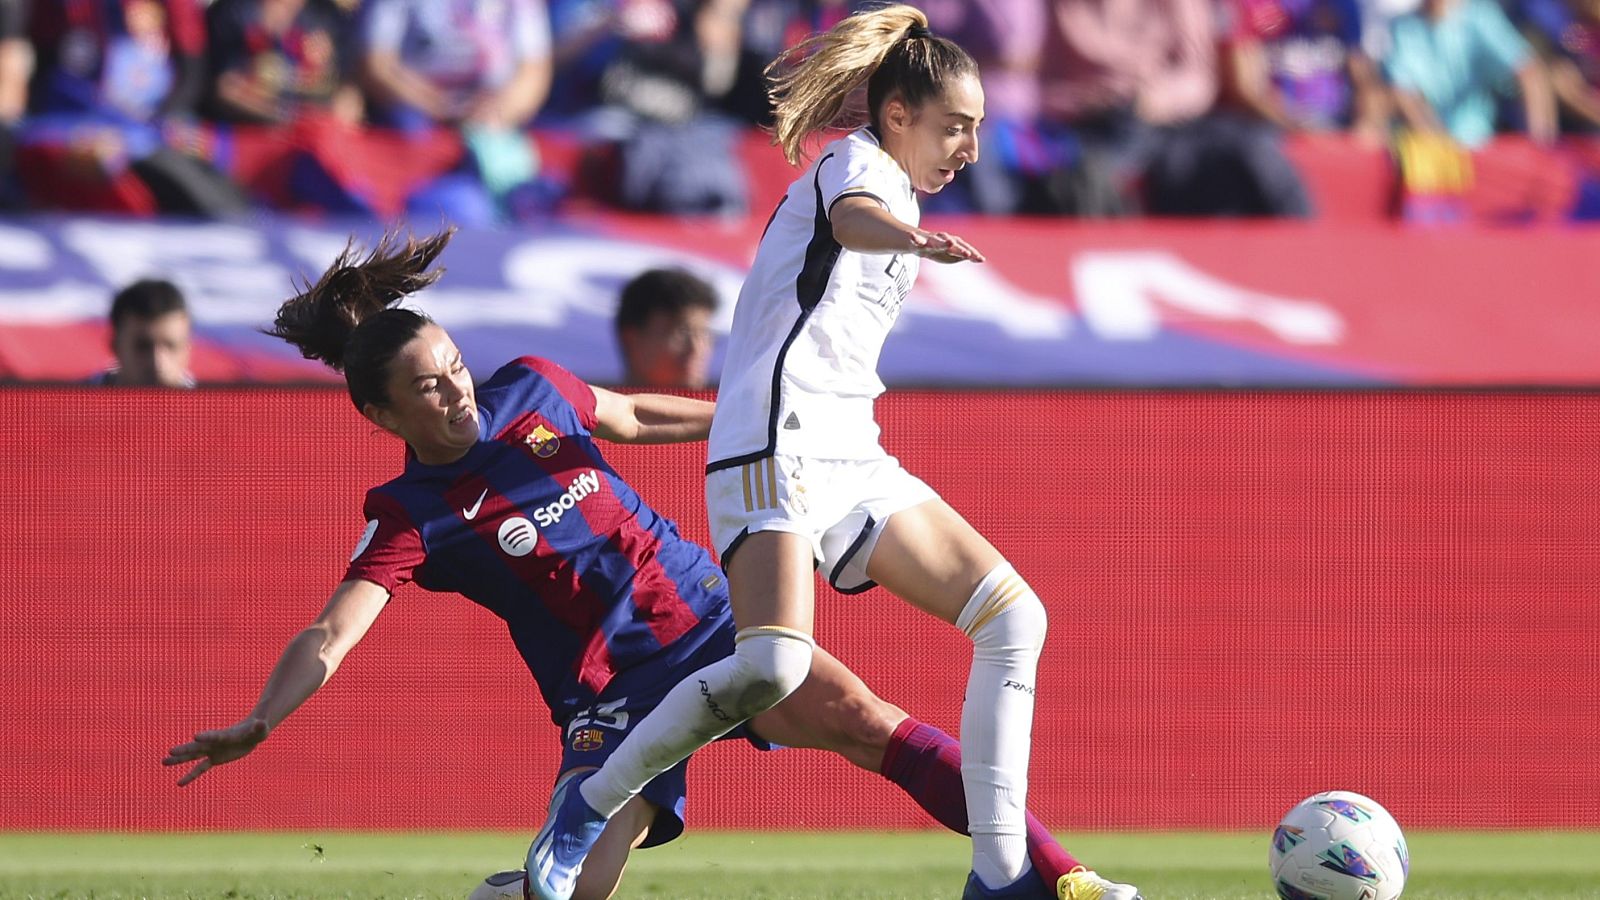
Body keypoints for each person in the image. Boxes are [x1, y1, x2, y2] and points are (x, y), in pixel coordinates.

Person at [161, 229, 1124, 900]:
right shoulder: (413, 513)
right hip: (612, 691)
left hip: (708, 616)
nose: (455, 392)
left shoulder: (535, 389)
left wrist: (760, 421)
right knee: (574, 893)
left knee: (872, 724)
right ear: (381, 416)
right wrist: (260, 719)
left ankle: (1051, 871)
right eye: (427, 388)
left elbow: (629, 414)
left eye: (453, 366)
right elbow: (334, 628)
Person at [528, 7, 1140, 900]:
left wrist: (912, 231)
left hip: (851, 447)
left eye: (976, 127)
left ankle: (1001, 875)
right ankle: (594, 799)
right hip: (775, 439)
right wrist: (909, 238)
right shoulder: (859, 167)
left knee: (1015, 619)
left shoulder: (902, 186)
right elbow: (853, 219)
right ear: (898, 115)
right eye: (956, 124)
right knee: (772, 665)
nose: (970, 147)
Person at [613, 267, 717, 389]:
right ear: (631, 339)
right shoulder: (597, 406)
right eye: (682, 332)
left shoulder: (724, 406)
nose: (696, 348)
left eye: (704, 333)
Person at [95, 277, 195, 387]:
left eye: (171, 346)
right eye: (143, 346)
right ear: (115, 346)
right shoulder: (78, 400)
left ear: (186, 349)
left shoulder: (210, 402)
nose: (157, 363)